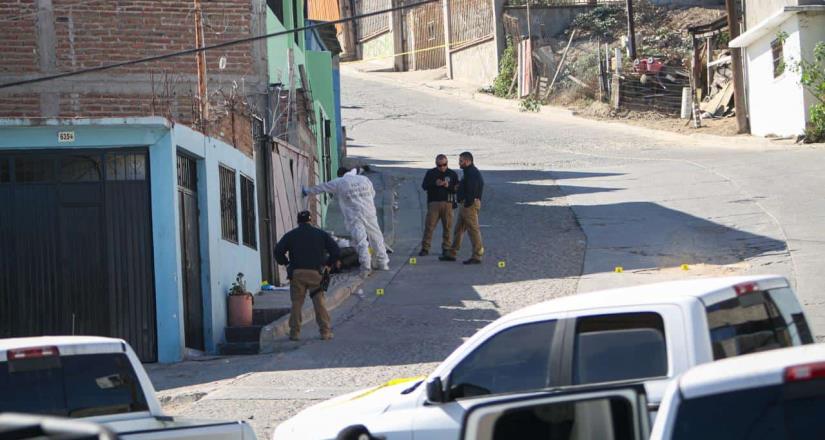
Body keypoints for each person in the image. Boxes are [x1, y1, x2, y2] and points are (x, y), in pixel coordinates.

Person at [304, 167, 390, 276]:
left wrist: (306, 191)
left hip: (354, 215)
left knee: (361, 240)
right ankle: (383, 263)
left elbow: (321, 187)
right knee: (376, 236)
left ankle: (366, 266)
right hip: (369, 213)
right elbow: (372, 194)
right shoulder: (364, 179)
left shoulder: (340, 182)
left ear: (340, 175)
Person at [275, 210, 340, 341]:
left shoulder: (291, 235)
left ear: (298, 221)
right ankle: (325, 332)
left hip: (297, 274)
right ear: (311, 221)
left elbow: (278, 251)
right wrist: (328, 264)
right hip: (316, 273)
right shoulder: (321, 234)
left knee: (297, 303)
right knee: (319, 303)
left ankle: (294, 333)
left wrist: (286, 263)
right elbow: (336, 250)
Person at [440, 152, 484, 265]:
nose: (459, 163)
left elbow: (474, 189)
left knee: (473, 230)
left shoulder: (472, 173)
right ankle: (452, 253)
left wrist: (469, 202)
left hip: (469, 205)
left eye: (461, 161)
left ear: (468, 161)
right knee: (459, 229)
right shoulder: (468, 172)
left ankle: (477, 255)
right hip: (465, 205)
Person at [419, 154, 459, 257]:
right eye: (439, 165)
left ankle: (446, 248)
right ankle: (425, 248)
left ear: (447, 163)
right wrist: (434, 183)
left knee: (448, 227)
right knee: (429, 227)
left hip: (448, 203)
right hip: (434, 203)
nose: (442, 167)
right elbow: (424, 186)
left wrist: (448, 185)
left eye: (444, 164)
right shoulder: (431, 173)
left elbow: (457, 188)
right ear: (436, 164)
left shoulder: (452, 174)